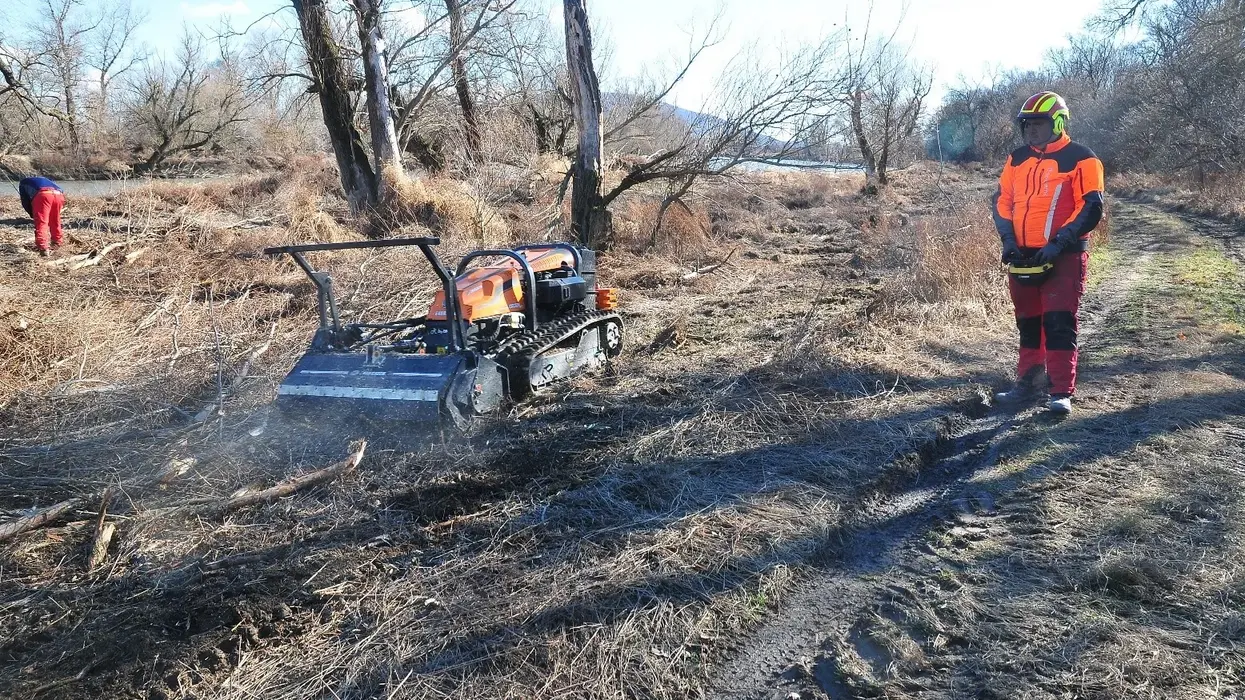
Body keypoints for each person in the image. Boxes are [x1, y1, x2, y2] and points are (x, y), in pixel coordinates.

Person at [991, 91, 1105, 415]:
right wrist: (1008, 240)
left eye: (1038, 124)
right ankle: (1026, 384)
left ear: (1057, 122)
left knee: (1058, 322)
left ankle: (1060, 393)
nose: (1032, 131)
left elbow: (1091, 206)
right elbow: (1003, 201)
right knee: (1029, 324)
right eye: (1027, 125)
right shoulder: (1015, 159)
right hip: (1022, 256)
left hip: (1065, 257)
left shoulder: (1083, 158)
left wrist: (1059, 242)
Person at [18, 175, 66, 257]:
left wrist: (32, 213)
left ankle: (43, 248)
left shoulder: (22, 183)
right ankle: (57, 242)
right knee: (55, 220)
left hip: (43, 195)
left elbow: (25, 201)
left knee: (41, 222)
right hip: (59, 194)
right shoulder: (46, 179)